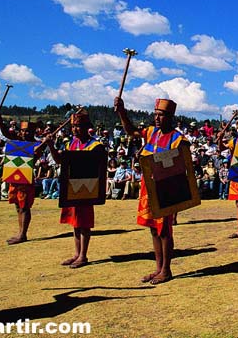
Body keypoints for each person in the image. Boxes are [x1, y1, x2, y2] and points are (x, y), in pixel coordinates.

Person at [116, 96, 184, 285]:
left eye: (161, 115)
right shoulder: (151, 132)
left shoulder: (178, 139)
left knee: (164, 231)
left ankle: (166, 270)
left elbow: (181, 164)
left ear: (170, 116)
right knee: (153, 230)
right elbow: (131, 131)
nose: (156, 118)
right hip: (148, 188)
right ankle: (158, 267)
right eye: (155, 114)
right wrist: (122, 112)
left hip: (165, 188)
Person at [45, 110, 104, 269]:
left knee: (84, 223)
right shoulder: (70, 144)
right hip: (72, 188)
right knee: (75, 223)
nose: (75, 129)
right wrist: (51, 146)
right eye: (73, 126)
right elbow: (59, 161)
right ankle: (77, 253)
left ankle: (83, 255)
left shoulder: (95, 146)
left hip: (87, 188)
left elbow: (96, 168)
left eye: (78, 126)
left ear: (86, 127)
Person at [0, 115, 46, 245]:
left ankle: (23, 234)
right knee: (18, 206)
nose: (25, 133)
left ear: (33, 133)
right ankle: (20, 232)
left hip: (25, 179)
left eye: (28, 131)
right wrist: (0, 121)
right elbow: (6, 134)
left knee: (24, 207)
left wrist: (46, 142)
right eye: (23, 131)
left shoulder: (36, 144)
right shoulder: (16, 141)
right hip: (14, 178)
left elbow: (36, 152)